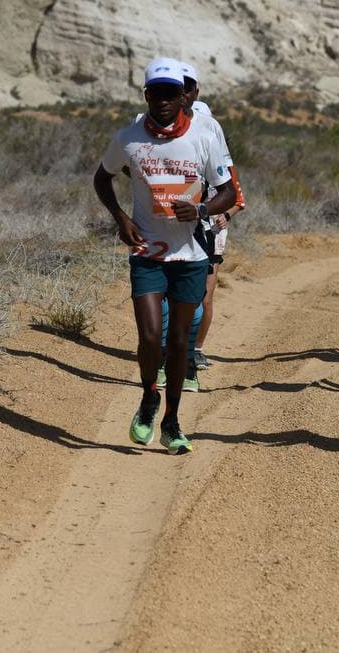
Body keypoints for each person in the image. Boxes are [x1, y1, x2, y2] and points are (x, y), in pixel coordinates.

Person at [94, 58, 236, 454]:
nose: (163, 100)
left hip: (190, 254)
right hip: (147, 251)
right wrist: (120, 218)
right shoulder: (129, 137)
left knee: (178, 343)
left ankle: (172, 420)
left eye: (170, 93)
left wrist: (204, 210)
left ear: (182, 96)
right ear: (146, 96)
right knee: (150, 338)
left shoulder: (204, 136)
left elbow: (228, 191)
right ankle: (148, 397)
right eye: (156, 93)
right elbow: (102, 177)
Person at [180, 62, 244, 374]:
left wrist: (223, 215)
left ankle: (195, 349)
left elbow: (237, 198)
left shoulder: (221, 162)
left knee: (204, 293)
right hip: (182, 229)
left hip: (211, 231)